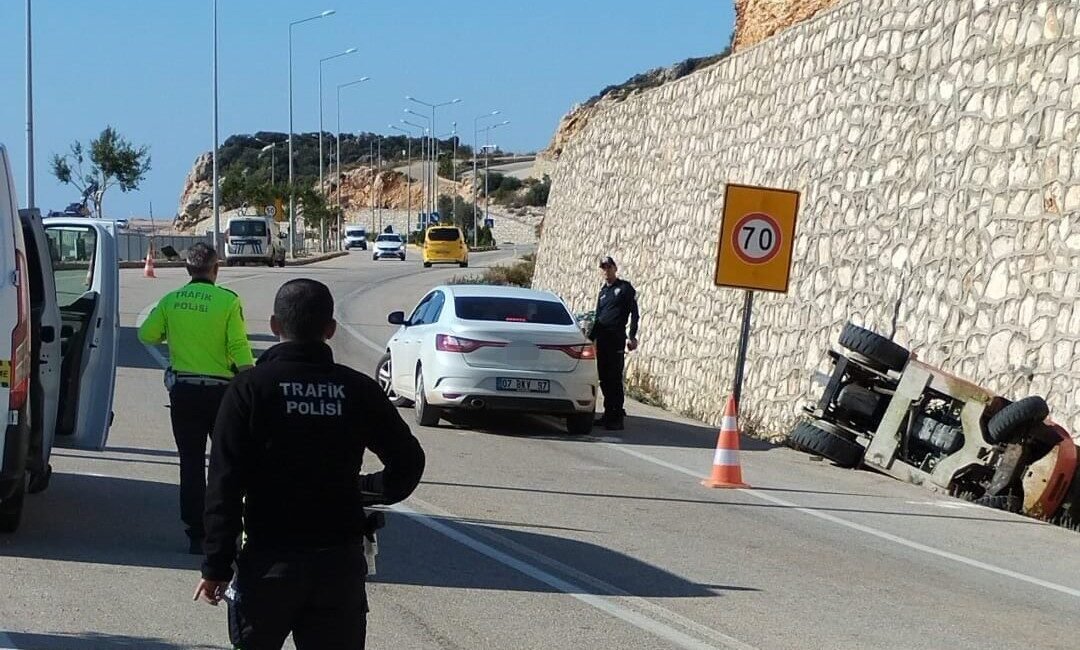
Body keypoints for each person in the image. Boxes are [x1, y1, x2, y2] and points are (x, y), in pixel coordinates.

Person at [193, 278, 426, 650]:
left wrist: (216, 566)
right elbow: (409, 462)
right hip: (338, 565)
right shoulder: (357, 388)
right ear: (330, 330)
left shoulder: (250, 389)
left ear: (274, 326)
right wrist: (364, 490)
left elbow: (224, 482)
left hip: (269, 563)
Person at [138, 242, 254, 554]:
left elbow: (146, 334)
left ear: (187, 269)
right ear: (215, 269)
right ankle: (227, 529)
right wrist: (251, 378)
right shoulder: (228, 301)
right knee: (226, 464)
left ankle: (195, 533)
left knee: (190, 462)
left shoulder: (171, 300)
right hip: (222, 393)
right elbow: (238, 346)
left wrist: (173, 334)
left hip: (185, 392)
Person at [588, 256, 640, 430]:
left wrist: (632, 336)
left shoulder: (624, 288)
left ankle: (617, 416)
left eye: (609, 267)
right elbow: (598, 318)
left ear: (615, 268)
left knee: (614, 379)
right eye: (603, 268)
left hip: (616, 340)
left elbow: (634, 313)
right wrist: (589, 340)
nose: (606, 271)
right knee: (603, 379)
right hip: (602, 341)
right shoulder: (603, 292)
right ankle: (608, 413)